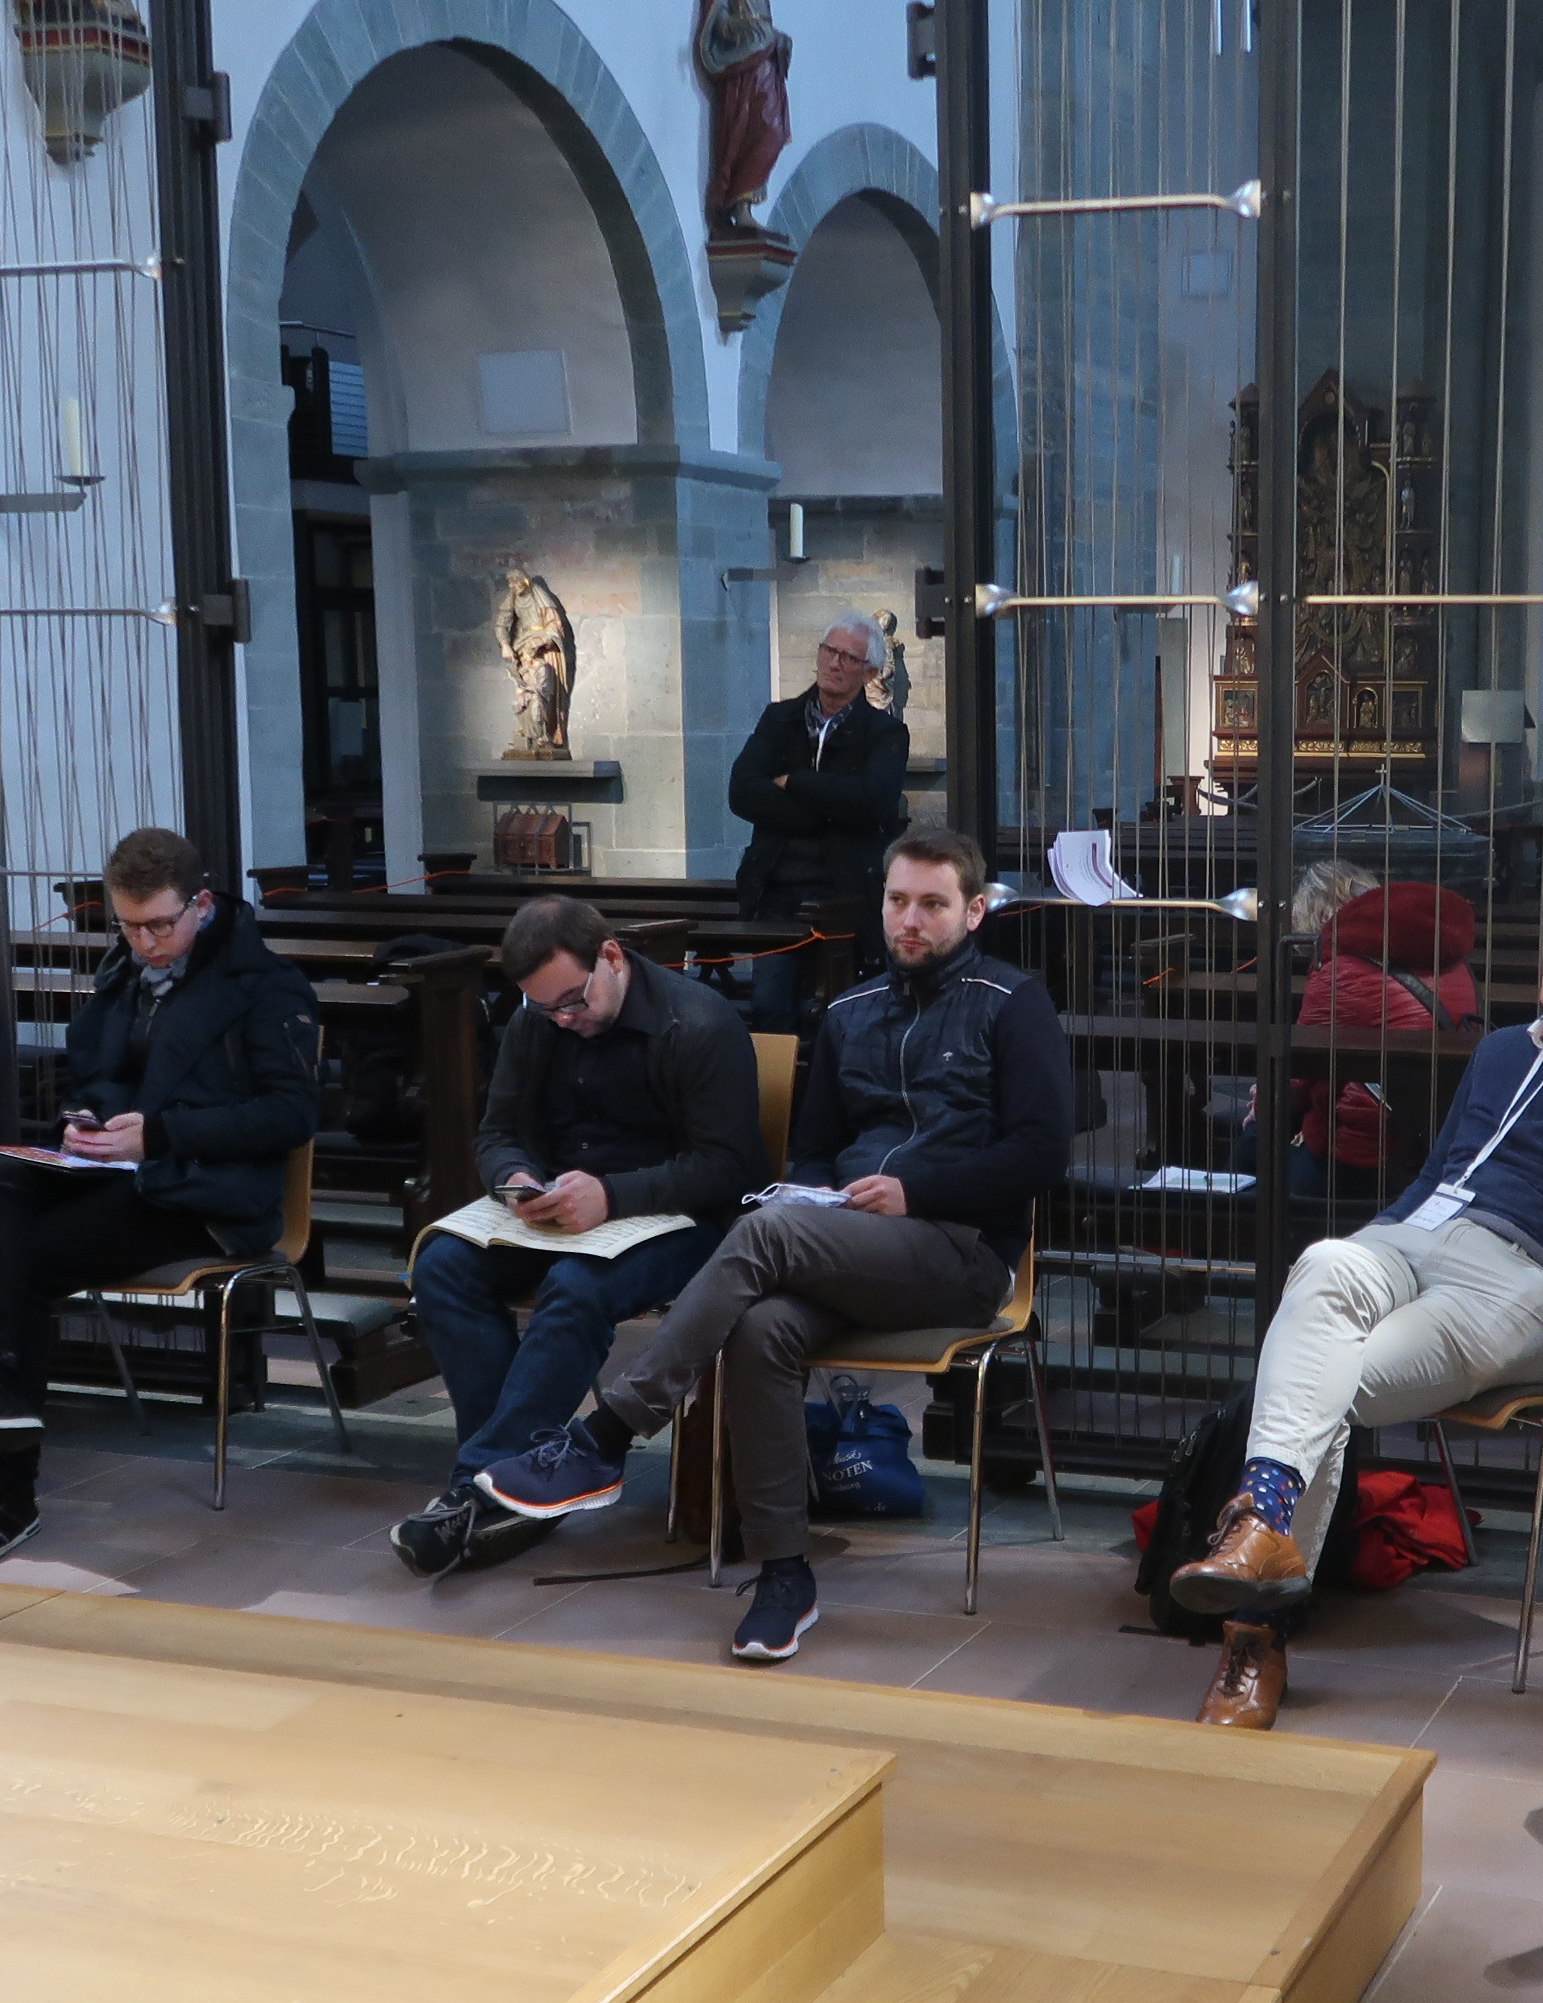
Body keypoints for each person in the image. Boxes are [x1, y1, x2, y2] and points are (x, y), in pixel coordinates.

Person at [472, 827, 1072, 1661]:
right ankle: (785, 1574)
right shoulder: (851, 1012)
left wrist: (916, 1192)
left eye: (932, 905)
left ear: (973, 912)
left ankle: (606, 1436)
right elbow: (816, 1153)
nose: (909, 920)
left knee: (764, 1231)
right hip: (845, 1243)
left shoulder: (1012, 1002)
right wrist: (822, 1197)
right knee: (761, 1325)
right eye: (897, 900)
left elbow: (1043, 1154)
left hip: (961, 1251)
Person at [1169, 872, 1543, 1730]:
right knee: (1324, 1262)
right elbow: (1436, 1174)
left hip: (1525, 1281)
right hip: (1415, 1240)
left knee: (1317, 1389)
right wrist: (1384, 1239)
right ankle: (1261, 1533)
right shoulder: (1499, 1051)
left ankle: (1255, 1629)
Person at [0, 827, 320, 1570]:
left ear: (202, 904)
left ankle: (1, 1488)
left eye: (160, 925)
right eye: (128, 925)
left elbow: (291, 1115)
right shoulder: (124, 971)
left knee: (19, 1262)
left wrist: (159, 1135)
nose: (145, 942)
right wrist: (84, 1120)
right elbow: (90, 1071)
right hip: (124, 1173)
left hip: (207, 1195)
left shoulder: (265, 984)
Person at [391, 894, 764, 1577]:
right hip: (563, 1210)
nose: (563, 1019)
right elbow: (497, 1132)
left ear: (611, 957)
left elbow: (729, 1168)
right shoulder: (535, 1019)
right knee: (442, 1266)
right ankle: (513, 1484)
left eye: (572, 1001)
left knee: (576, 1288)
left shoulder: (698, 1023)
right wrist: (514, 1179)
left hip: (681, 1221)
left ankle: (477, 1489)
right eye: (547, 1009)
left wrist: (613, 1195)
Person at [728, 615, 910, 1033]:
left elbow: (872, 801)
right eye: (830, 651)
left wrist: (796, 782)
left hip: (844, 891)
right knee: (769, 1007)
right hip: (775, 889)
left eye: (849, 657)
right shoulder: (780, 719)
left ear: (869, 672)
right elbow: (742, 792)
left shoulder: (884, 733)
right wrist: (825, 810)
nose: (835, 663)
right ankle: (779, 1076)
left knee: (839, 1014)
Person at [1289, 875, 1482, 1188]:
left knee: (1256, 1140)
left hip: (1360, 1147)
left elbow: (1297, 1074)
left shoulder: (1340, 972)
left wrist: (1261, 1107)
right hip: (1436, 1137)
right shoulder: (1454, 964)